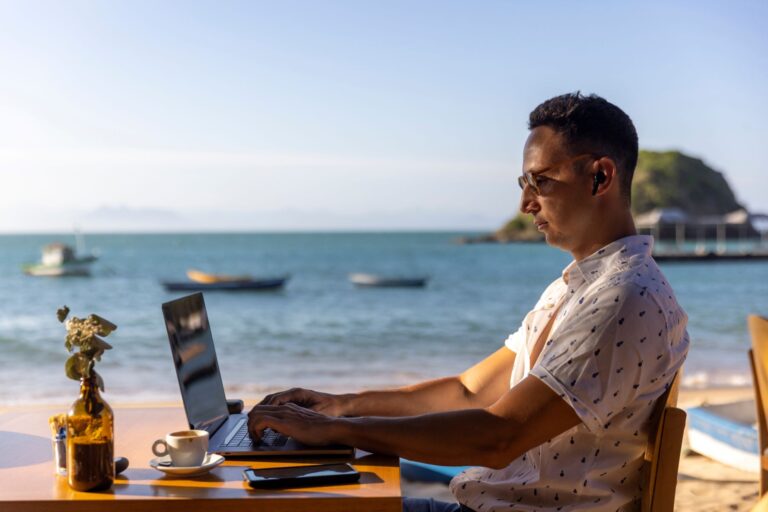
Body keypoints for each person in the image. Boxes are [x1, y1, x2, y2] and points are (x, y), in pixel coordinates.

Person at [247, 92, 690, 512]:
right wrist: (339, 405)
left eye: (542, 181)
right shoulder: (579, 287)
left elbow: (498, 439)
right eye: (524, 182)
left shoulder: (621, 298)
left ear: (601, 176)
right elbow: (470, 390)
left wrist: (337, 431)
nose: (525, 203)